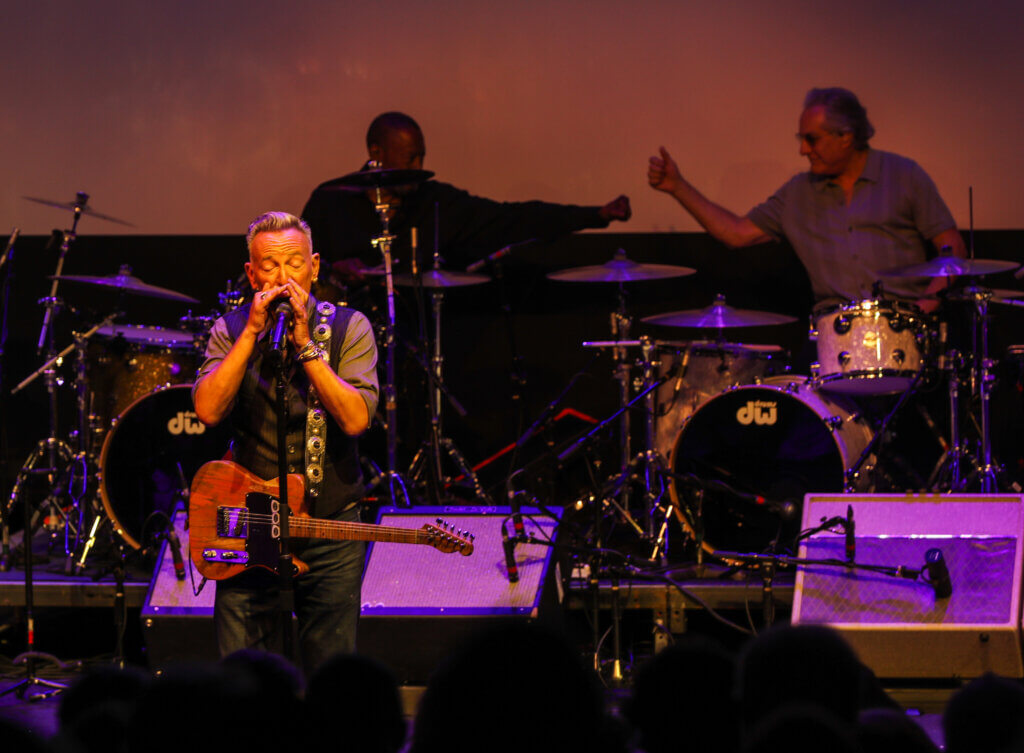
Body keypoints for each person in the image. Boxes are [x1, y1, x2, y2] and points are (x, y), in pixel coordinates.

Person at [192, 211, 379, 673]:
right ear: (252, 273)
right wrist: (252, 333)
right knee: (246, 675)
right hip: (252, 520)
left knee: (331, 671)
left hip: (331, 520)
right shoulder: (230, 329)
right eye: (269, 267)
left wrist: (306, 348)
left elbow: (356, 420)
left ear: (314, 267)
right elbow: (208, 410)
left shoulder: (350, 327)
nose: (283, 277)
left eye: (294, 263)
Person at [648, 87, 966, 311]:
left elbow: (953, 249)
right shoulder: (798, 193)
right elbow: (736, 233)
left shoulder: (904, 175)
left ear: (846, 137)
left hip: (907, 329)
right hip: (834, 338)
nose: (803, 150)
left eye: (811, 140)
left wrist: (927, 306)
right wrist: (678, 187)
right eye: (802, 140)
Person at [302, 111, 632, 284]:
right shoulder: (331, 201)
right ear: (377, 152)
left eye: (422, 157)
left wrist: (595, 215)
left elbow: (512, 218)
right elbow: (295, 270)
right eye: (410, 158)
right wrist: (330, 271)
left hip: (413, 344)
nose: (419, 168)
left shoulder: (435, 203)